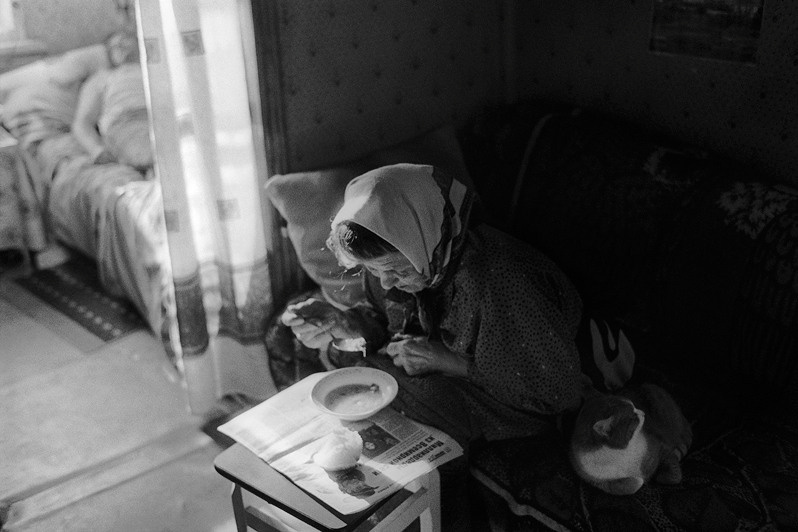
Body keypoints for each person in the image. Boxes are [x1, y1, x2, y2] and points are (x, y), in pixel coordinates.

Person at [281, 163, 584, 529]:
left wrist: (453, 362)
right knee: (354, 380)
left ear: (425, 237)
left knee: (415, 415)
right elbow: (382, 320)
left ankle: (432, 517)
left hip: (521, 395)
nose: (386, 281)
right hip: (450, 370)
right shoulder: (407, 260)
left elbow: (558, 391)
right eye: (374, 271)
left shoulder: (499, 283)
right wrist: (343, 322)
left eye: (395, 270)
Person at [71, 28, 152, 173]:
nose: (120, 46)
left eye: (125, 40)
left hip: (162, 116)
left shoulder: (155, 69)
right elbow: (82, 123)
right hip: (127, 123)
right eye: (114, 47)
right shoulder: (102, 78)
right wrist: (98, 151)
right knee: (158, 153)